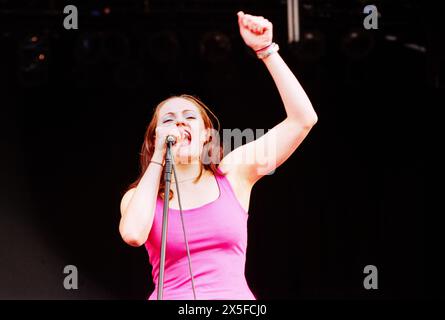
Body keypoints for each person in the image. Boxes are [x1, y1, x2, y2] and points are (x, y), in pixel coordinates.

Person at [119, 11, 318, 300]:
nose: (179, 122)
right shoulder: (141, 196)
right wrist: (158, 157)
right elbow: (134, 235)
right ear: (154, 138)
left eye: (189, 117)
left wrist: (266, 51)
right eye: (169, 119)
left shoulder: (233, 174)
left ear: (206, 136)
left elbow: (302, 120)